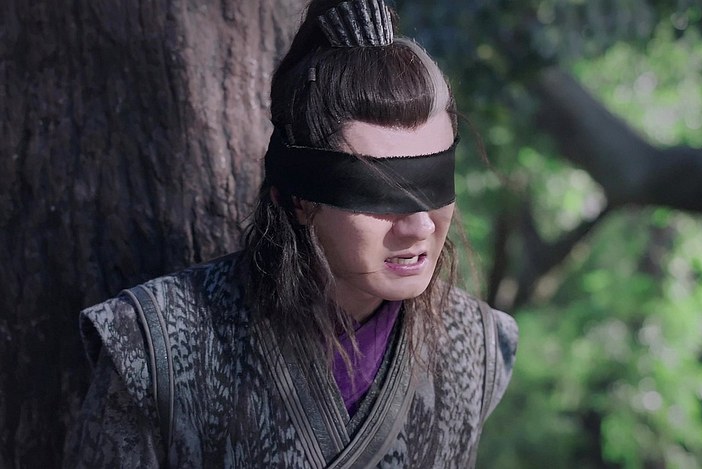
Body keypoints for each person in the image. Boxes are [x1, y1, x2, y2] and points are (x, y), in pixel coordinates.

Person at [65, 0, 518, 467]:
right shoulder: (152, 345)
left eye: (434, 187)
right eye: (379, 196)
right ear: (298, 200)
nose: (419, 225)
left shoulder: (477, 346)